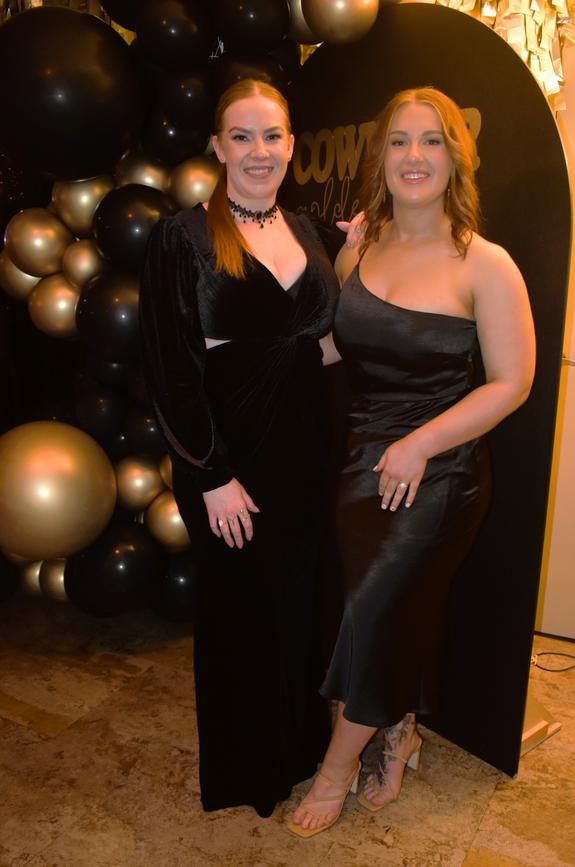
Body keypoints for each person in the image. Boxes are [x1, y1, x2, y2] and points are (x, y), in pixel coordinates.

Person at [288, 86, 536, 837]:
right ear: (381, 157)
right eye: (399, 141)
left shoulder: (486, 264)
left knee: (373, 610)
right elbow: (335, 347)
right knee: (379, 610)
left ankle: (335, 769)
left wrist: (421, 442)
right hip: (361, 460)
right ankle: (397, 730)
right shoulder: (360, 245)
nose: (414, 156)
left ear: (457, 158)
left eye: (432, 141)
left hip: (440, 471)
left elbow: (513, 382)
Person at [139, 79, 343, 818]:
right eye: (244, 135)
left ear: (292, 143)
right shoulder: (181, 237)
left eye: (274, 135)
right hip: (225, 458)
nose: (261, 151)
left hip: (305, 454)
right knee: (239, 616)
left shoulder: (314, 232)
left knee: (297, 607)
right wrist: (213, 473)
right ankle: (249, 772)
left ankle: (299, 755)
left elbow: (318, 344)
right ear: (219, 146)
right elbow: (171, 367)